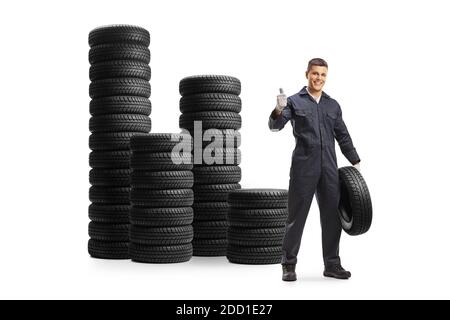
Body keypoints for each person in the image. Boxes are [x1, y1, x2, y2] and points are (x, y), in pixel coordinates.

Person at [268, 58, 361, 281]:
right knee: (296, 217)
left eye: (323, 75)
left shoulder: (333, 105)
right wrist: (278, 109)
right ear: (307, 74)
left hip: (329, 168)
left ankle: (332, 265)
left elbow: (343, 136)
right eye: (315, 74)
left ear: (326, 77)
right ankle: (288, 265)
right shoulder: (293, 102)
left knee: (332, 217)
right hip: (303, 168)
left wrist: (355, 162)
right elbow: (275, 126)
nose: (318, 78)